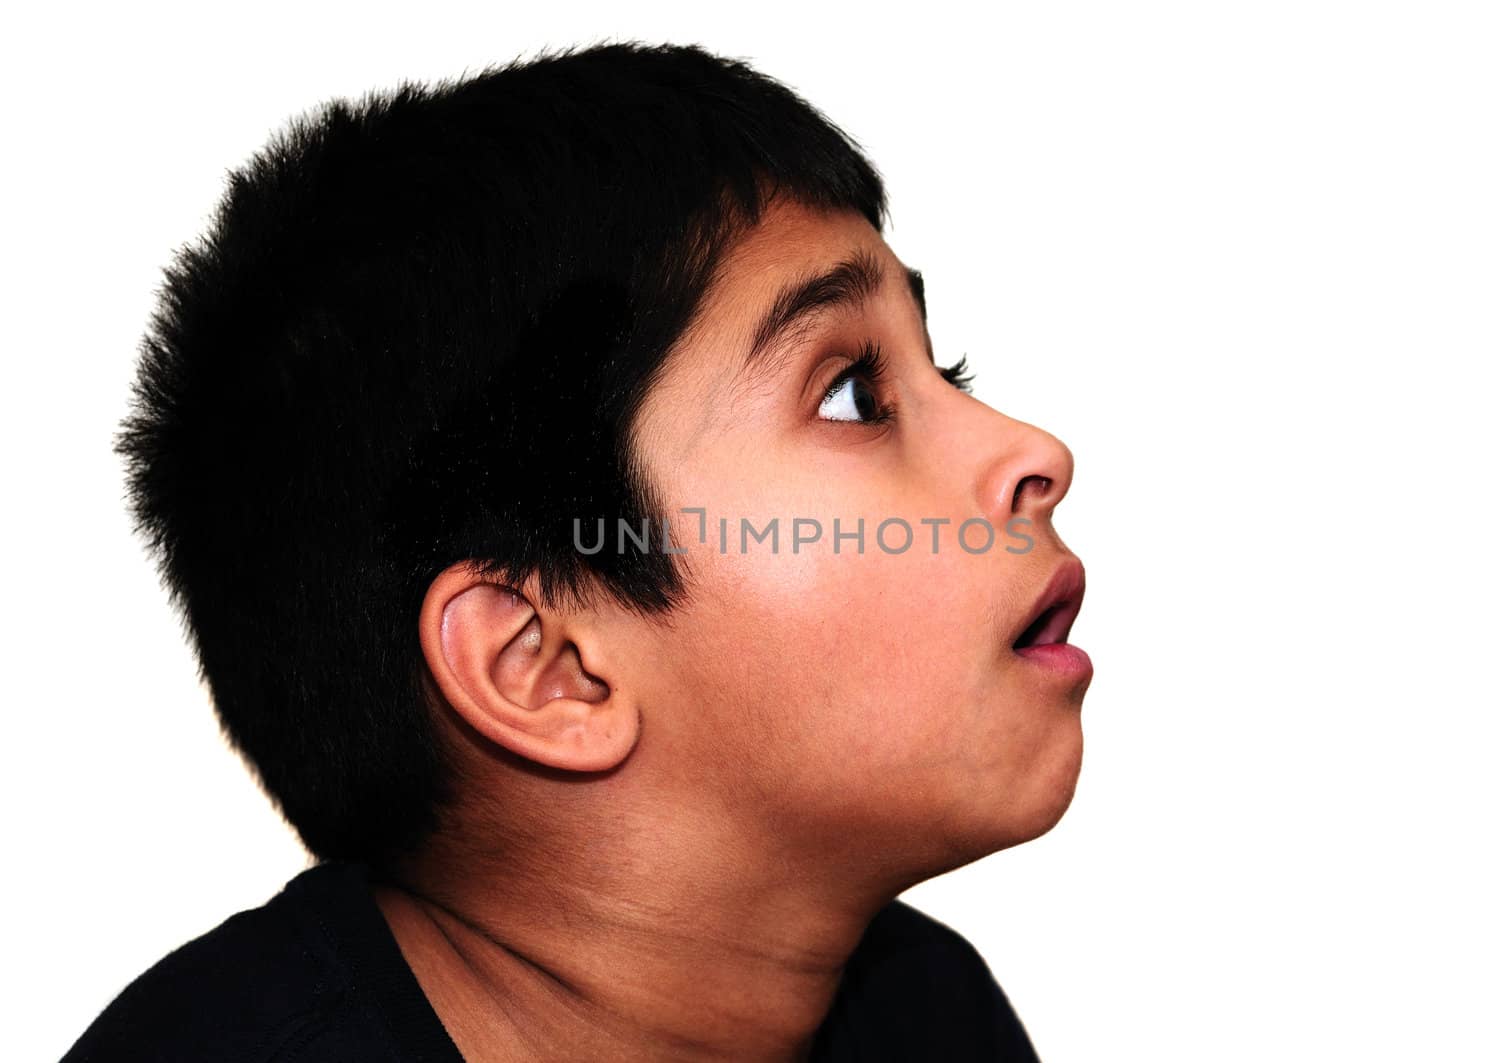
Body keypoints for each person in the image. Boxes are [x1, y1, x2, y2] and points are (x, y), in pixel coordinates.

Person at [66, 39, 1091, 1062]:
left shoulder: (926, 1012)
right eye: (853, 395)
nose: (1033, 452)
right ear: (546, 664)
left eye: (943, 366)